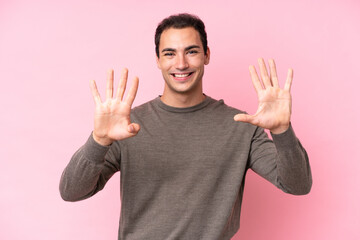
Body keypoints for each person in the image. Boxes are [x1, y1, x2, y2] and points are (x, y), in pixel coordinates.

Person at [60, 13, 312, 240]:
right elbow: (71, 191)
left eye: (191, 51)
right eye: (169, 53)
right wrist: (99, 141)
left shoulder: (242, 126)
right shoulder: (127, 126)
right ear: (158, 60)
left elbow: (298, 185)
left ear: (207, 55)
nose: (180, 64)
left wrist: (282, 131)